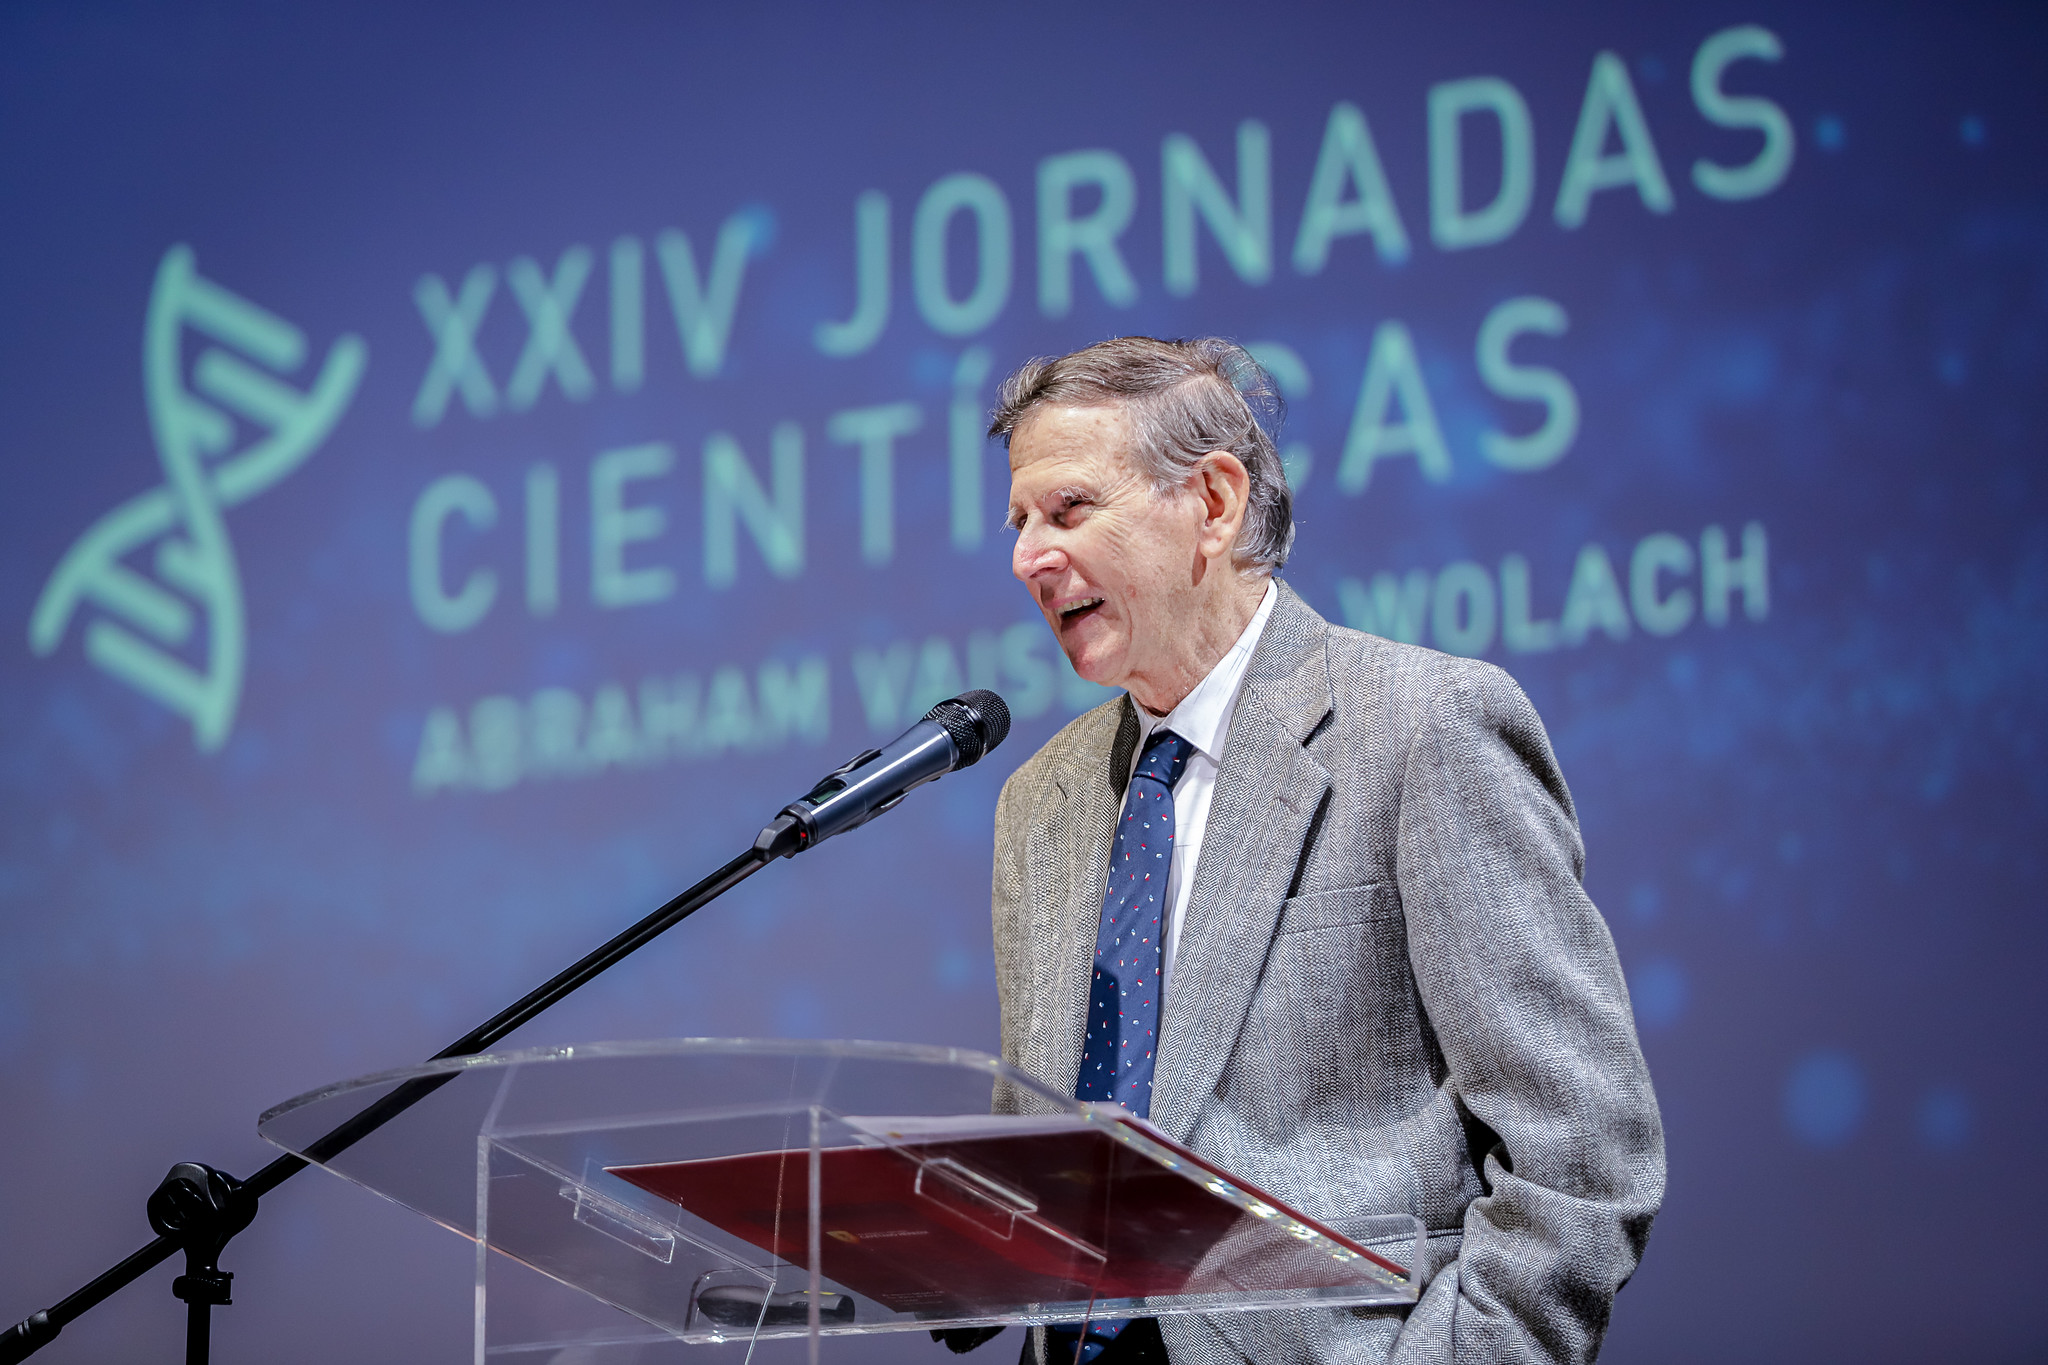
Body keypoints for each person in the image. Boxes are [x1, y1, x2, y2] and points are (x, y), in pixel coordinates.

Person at [972, 337, 1663, 1364]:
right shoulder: (1043, 800)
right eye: (1020, 521)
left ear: (1211, 502)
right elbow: (1042, 1154)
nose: (1028, 554)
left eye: (1068, 510)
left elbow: (1580, 1153)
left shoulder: (1424, 727)